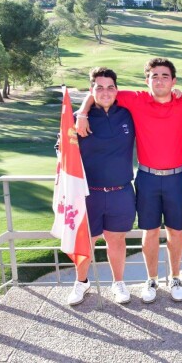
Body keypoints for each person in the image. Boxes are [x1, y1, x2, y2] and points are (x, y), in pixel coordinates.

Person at [76, 58, 182, 304]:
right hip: (146, 178)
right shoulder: (136, 99)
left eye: (165, 76)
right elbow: (100, 91)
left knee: (175, 232)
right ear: (147, 80)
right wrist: (82, 112)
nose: (160, 80)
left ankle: (175, 278)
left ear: (174, 80)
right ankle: (152, 279)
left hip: (177, 177)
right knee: (150, 231)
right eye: (154, 76)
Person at [67, 67, 136, 306]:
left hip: (122, 192)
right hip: (89, 194)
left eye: (110, 87)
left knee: (116, 240)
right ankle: (81, 282)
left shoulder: (128, 114)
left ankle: (118, 283)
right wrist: (83, 112)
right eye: (99, 87)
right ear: (91, 89)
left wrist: (85, 107)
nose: (105, 92)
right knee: (87, 241)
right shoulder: (77, 119)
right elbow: (64, 152)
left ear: (117, 90)